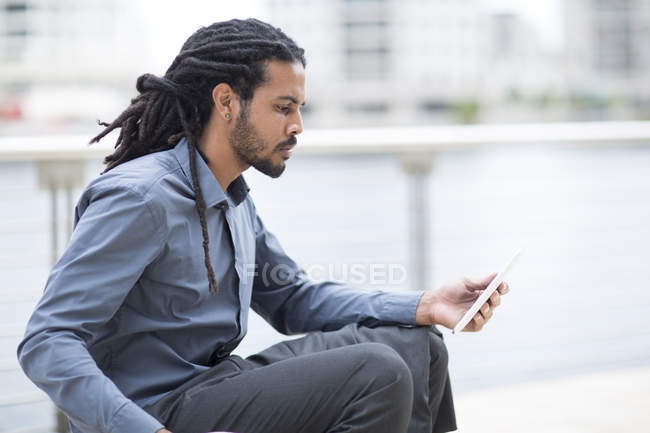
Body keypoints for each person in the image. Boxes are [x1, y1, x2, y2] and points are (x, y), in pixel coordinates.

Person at [17, 18, 509, 433]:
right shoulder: (140, 198)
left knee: (418, 346)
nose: (297, 126)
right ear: (227, 101)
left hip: (212, 386)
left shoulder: (230, 194)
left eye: (299, 109)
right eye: (283, 107)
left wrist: (426, 305)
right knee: (377, 371)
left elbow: (293, 300)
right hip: (156, 412)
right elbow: (48, 341)